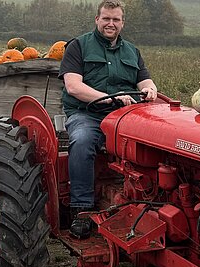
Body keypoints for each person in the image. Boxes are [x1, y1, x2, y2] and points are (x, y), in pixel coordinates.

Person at [58, 0, 158, 239]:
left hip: (124, 117)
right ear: (97, 20)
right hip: (88, 114)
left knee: (156, 143)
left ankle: (150, 203)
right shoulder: (78, 46)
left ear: (122, 23)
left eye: (115, 19)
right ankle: (81, 210)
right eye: (106, 18)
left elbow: (144, 81)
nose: (110, 23)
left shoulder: (132, 51)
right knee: (81, 141)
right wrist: (110, 97)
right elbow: (73, 87)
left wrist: (151, 89)